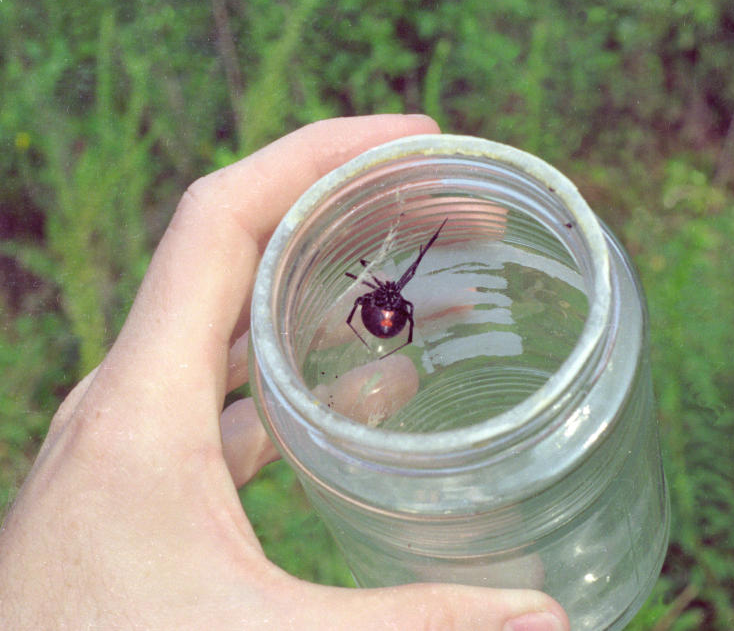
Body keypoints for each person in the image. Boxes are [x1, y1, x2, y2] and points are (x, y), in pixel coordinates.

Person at [0, 115, 569, 631]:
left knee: (408, 284)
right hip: (383, 323)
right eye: (386, 289)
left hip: (385, 323)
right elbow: (381, 299)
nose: (390, 288)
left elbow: (394, 302)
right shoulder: (382, 297)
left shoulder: (388, 299)